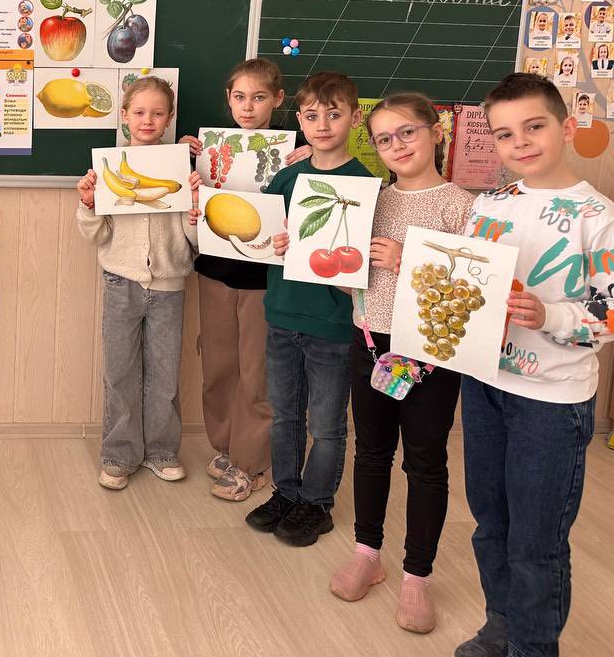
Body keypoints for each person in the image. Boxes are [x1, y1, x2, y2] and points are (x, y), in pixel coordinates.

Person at [455, 73, 613, 657]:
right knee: (490, 521)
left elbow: (608, 314)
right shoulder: (488, 205)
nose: (519, 142)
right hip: (484, 383)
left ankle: (532, 645)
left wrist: (548, 314)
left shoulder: (598, 216)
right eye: (504, 134)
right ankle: (502, 624)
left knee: (537, 540)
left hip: (552, 399)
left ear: (566, 128)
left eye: (534, 126)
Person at [328, 94, 474, 635]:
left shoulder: (462, 206)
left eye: (408, 132)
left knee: (425, 461)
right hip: (370, 339)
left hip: (432, 352)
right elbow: (349, 265)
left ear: (437, 131)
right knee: (370, 452)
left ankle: (418, 574)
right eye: (384, 138)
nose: (397, 145)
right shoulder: (371, 200)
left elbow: (472, 285)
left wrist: (406, 260)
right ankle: (367, 552)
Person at [246, 71, 372, 546]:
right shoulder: (287, 177)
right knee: (284, 414)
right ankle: (287, 492)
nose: (322, 125)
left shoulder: (365, 185)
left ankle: (317, 503)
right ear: (299, 120)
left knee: (326, 423)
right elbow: (264, 235)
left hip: (333, 325)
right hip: (282, 314)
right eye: (312, 116)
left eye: (334, 115)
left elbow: (364, 266)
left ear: (354, 119)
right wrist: (274, 243)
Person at [192, 58, 309, 502]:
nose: (248, 107)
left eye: (259, 97)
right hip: (215, 271)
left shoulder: (297, 152)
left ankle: (252, 462)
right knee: (218, 366)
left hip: (266, 279)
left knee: (256, 373)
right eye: (239, 97)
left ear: (277, 100)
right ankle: (226, 446)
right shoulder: (209, 149)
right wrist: (186, 153)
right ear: (228, 98)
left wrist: (312, 159)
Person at [76, 76, 198, 490]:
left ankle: (161, 451)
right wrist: (89, 205)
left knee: (164, 373)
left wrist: (196, 210)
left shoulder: (181, 169)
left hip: (169, 284)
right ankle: (119, 454)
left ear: (169, 118)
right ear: (124, 116)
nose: (148, 120)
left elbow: (194, 239)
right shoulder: (109, 168)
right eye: (140, 112)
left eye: (158, 113)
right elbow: (96, 235)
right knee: (120, 371)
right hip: (121, 281)